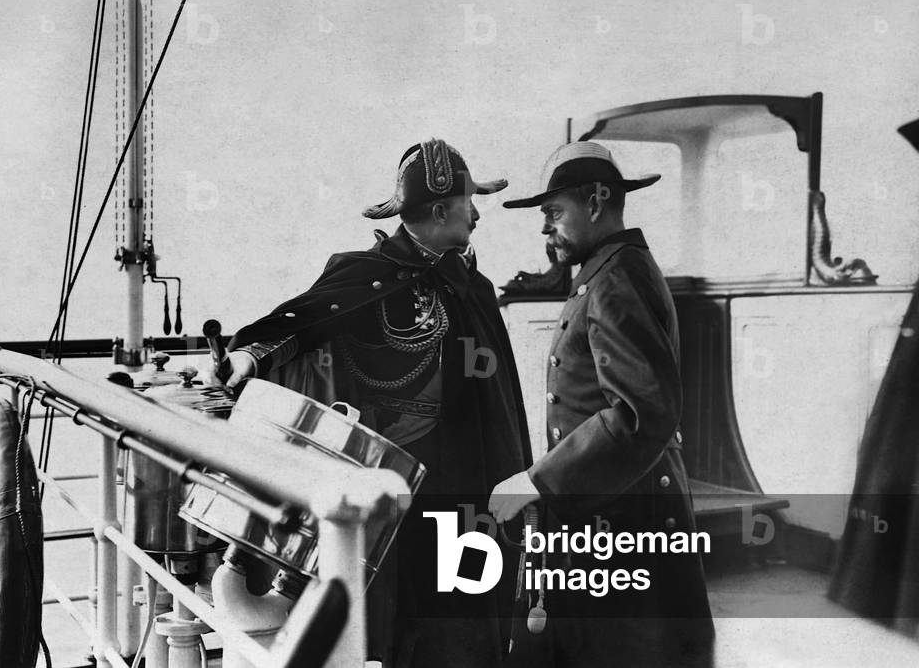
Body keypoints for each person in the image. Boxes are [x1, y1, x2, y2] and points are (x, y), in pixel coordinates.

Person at [220, 138, 532, 668]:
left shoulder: (470, 284)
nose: (477, 214)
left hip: (475, 483)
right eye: (467, 202)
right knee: (412, 628)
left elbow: (500, 399)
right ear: (439, 210)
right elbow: (304, 317)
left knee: (472, 628)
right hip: (405, 496)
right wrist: (249, 356)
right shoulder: (369, 274)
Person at [490, 141, 714, 667]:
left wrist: (537, 480)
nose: (546, 229)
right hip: (608, 508)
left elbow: (640, 413)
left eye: (553, 213)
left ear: (595, 202)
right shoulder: (606, 269)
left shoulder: (615, 280)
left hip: (626, 520)